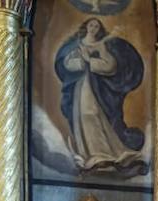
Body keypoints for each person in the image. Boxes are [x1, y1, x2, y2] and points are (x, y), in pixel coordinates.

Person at [54, 17, 146, 174]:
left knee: (94, 114)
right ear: (86, 26)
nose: (93, 28)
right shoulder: (76, 45)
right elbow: (67, 64)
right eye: (91, 24)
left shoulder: (102, 45)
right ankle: (88, 154)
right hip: (81, 86)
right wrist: (80, 63)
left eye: (96, 26)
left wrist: (90, 60)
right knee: (83, 116)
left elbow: (110, 65)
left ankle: (103, 153)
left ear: (99, 29)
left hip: (97, 89)